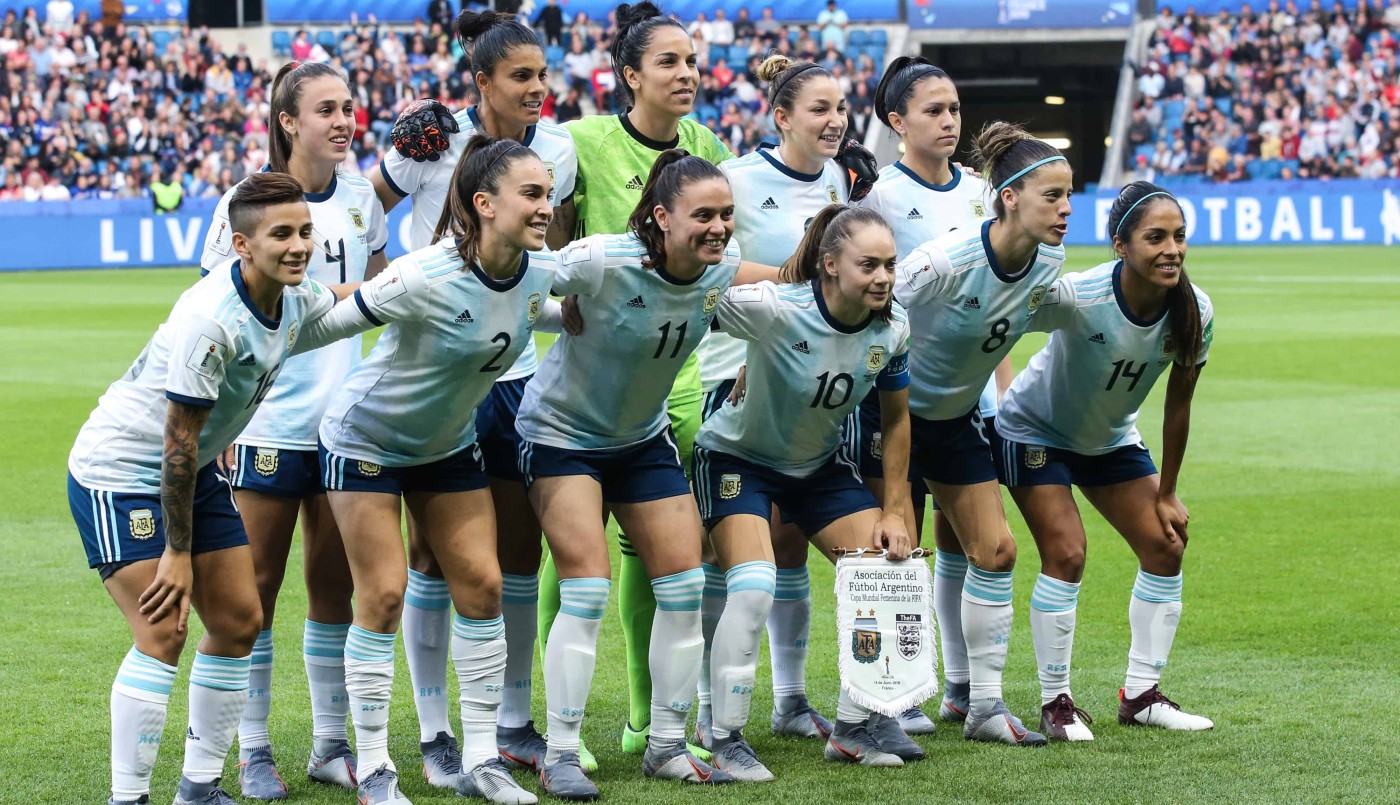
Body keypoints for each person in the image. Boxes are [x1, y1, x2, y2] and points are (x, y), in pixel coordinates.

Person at [67, 173, 354, 805]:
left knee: (239, 620)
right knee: (164, 630)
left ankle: (197, 788)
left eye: (305, 231)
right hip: (123, 473)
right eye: (281, 234)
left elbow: (342, 299)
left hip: (188, 472)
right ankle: (129, 796)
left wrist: (418, 286)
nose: (299, 245)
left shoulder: (288, 295)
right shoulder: (210, 319)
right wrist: (177, 552)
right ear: (241, 244)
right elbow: (176, 444)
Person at [318, 136, 564, 805]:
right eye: (532, 195)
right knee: (384, 593)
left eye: (548, 194)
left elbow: (548, 309)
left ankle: (483, 758)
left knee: (482, 585)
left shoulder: (539, 271)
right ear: (483, 204)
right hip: (364, 439)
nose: (547, 207)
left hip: (447, 446)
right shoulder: (423, 273)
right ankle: (373, 768)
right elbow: (326, 325)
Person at [371, 10, 579, 784]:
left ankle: (511, 721)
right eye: (520, 76)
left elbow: (562, 244)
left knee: (514, 554)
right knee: (431, 555)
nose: (536, 90)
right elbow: (364, 211)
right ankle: (434, 733)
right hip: (443, 371)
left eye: (542, 76)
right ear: (482, 80)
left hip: (519, 371)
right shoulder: (429, 139)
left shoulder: (558, 148)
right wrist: (406, 278)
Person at [515, 150, 743, 800]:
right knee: (585, 589)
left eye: (726, 214)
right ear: (661, 215)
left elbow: (764, 285)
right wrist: (557, 314)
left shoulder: (717, 269)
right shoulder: (602, 260)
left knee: (685, 582)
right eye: (704, 215)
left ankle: (666, 743)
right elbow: (514, 274)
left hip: (640, 439)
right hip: (560, 436)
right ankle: (560, 751)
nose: (719, 227)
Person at [540, 0, 733, 763]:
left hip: (676, 378)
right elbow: (550, 237)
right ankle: (562, 728)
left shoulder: (706, 143)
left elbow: (720, 261)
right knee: (574, 556)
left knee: (656, 556)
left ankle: (649, 722)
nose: (686, 74)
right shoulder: (582, 142)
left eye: (691, 61)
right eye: (668, 62)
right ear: (630, 75)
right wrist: (562, 311)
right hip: (590, 383)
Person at [196, 60, 389, 801]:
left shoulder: (363, 201)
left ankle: (331, 744)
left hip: (344, 424)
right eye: (327, 110)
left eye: (349, 107)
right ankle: (252, 749)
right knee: (256, 589)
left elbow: (377, 294)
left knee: (332, 586)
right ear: (287, 123)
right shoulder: (244, 204)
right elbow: (216, 307)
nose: (344, 121)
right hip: (270, 422)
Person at [696, 204, 914, 781]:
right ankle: (723, 734)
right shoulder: (775, 308)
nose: (883, 277)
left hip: (816, 467)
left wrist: (894, 509)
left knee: (888, 569)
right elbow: (690, 297)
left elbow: (896, 421)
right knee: (753, 582)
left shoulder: (892, 328)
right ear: (830, 265)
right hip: (735, 456)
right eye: (869, 265)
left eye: (889, 265)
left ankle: (854, 725)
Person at [995, 182, 1215, 740]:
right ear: (1121, 245)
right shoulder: (1080, 295)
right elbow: (999, 324)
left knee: (1166, 546)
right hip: (1033, 430)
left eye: (1179, 237)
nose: (1172, 249)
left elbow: (1179, 405)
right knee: (1067, 553)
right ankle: (1056, 703)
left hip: (1111, 439)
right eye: (1156, 237)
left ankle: (1140, 696)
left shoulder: (1196, 311)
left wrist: (1166, 491)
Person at [891, 120, 1072, 747]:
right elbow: (871, 310)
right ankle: (892, 701)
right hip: (892, 418)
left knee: (996, 552)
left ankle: (984, 707)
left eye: (1069, 195)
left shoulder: (1050, 259)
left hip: (957, 419)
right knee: (898, 561)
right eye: (1051, 196)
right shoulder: (944, 260)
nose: (1065, 209)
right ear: (1009, 198)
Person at [693, 52, 851, 752]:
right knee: (725, 556)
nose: (836, 120)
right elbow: (708, 269)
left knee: (788, 549)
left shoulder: (840, 180)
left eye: (841, 108)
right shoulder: (737, 178)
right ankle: (707, 708)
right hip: (733, 380)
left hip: (808, 392)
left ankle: (790, 700)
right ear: (781, 116)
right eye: (819, 109)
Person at [859, 56, 1010, 736]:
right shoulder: (879, 197)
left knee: (976, 544)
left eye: (954, 109)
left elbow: (994, 304)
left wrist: (999, 391)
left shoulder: (983, 192)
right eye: (933, 111)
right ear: (897, 122)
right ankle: (895, 689)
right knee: (898, 546)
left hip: (962, 400)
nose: (950, 121)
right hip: (889, 397)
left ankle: (962, 686)